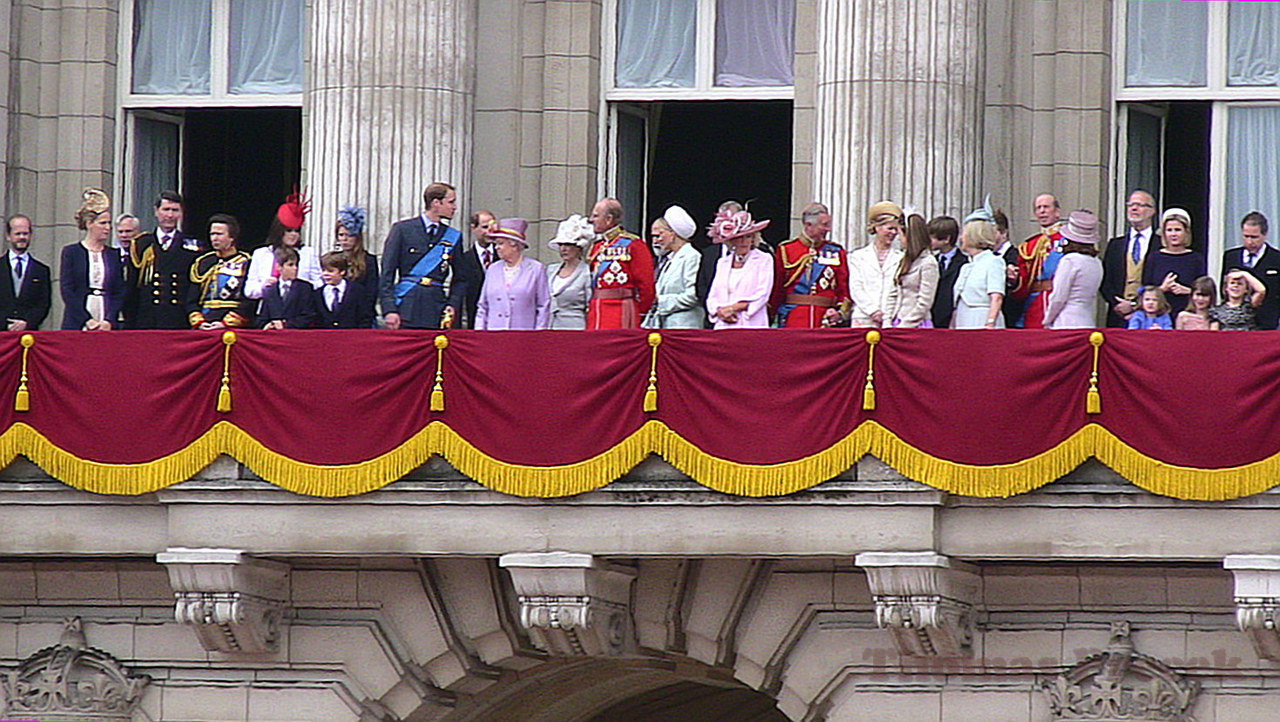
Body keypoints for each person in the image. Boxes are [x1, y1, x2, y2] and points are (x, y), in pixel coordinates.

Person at [380, 182, 468, 330]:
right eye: (451, 202)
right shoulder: (402, 230)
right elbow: (387, 273)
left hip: (436, 308)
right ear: (436, 203)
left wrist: (452, 304)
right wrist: (389, 309)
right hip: (406, 306)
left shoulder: (453, 236)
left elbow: (461, 278)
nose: (455, 207)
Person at [131, 190, 206, 329]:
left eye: (175, 210)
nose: (170, 215)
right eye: (166, 210)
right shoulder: (142, 244)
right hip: (147, 319)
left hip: (178, 318)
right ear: (156, 211)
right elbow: (133, 286)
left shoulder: (193, 246)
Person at [771, 202, 851, 328]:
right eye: (824, 225)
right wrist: (772, 314)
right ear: (808, 225)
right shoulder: (787, 250)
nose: (828, 229)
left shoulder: (835, 251)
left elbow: (843, 286)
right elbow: (777, 288)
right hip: (794, 317)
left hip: (825, 318)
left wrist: (840, 312)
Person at [60, 188, 125, 331]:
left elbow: (119, 290)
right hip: (79, 318)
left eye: (109, 223)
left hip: (106, 315)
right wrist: (86, 320)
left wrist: (109, 319)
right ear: (89, 224)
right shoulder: (72, 252)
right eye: (102, 223)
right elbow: (68, 290)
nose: (107, 228)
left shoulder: (113, 254)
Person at [586, 197, 654, 329]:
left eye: (595, 216)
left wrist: (639, 311)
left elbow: (646, 285)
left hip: (620, 309)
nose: (591, 220)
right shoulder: (597, 246)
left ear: (609, 219)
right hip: (596, 309)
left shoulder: (633, 245)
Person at [475, 218, 551, 330]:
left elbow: (543, 306)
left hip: (523, 337)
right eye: (496, 244)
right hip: (493, 336)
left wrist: (538, 337)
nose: (496, 248)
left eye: (500, 243)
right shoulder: (492, 269)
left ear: (514, 245)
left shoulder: (536, 269)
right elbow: (483, 307)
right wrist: (480, 334)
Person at [246, 191, 322, 302]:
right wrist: (264, 286)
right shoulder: (261, 254)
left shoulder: (308, 253)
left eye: (297, 231)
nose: (293, 235)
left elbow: (319, 284)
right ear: (279, 230)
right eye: (289, 230)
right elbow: (249, 290)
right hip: (269, 309)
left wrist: (300, 286)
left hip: (299, 308)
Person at [1101, 190, 1159, 328]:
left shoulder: (1160, 244)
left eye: (1139, 205)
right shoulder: (1115, 244)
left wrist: (1136, 305)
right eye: (1130, 205)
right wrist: (1118, 305)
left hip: (1150, 318)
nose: (1133, 209)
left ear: (1152, 211)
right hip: (1118, 317)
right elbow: (1105, 280)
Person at [706, 208, 773, 329]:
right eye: (739, 238)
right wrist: (720, 311)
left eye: (748, 237)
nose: (744, 242)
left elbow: (763, 294)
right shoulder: (723, 262)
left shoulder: (764, 259)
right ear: (731, 241)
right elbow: (713, 295)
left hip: (751, 323)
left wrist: (733, 308)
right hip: (724, 324)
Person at [187, 214, 254, 330]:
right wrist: (199, 322)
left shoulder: (246, 262)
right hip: (205, 322)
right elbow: (192, 299)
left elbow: (249, 301)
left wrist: (226, 322)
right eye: (212, 234)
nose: (214, 238)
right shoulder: (203, 262)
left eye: (219, 234)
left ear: (232, 237)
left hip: (233, 325)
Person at [1008, 193, 1064, 328]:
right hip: (1034, 303)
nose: (1042, 211)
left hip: (1059, 300)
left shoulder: (1068, 240)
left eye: (1046, 207)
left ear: (1057, 212)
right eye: (1038, 208)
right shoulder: (1029, 245)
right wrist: (1014, 278)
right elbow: (1024, 281)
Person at [1043, 210, 1104, 330]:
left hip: (1066, 321)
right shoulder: (1097, 262)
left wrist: (1047, 320)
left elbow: (1058, 297)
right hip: (1087, 321)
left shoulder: (1070, 261)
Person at [645, 206, 703, 329]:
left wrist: (659, 301)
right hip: (663, 326)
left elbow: (693, 295)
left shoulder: (691, 257)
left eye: (658, 235)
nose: (655, 241)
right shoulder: (666, 259)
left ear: (673, 234)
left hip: (684, 327)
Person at [848, 201, 904, 328]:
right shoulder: (857, 256)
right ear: (877, 228)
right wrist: (873, 311)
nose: (894, 233)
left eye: (896, 229)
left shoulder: (901, 257)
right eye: (890, 228)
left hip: (891, 319)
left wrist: (888, 314)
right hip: (863, 317)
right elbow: (856, 287)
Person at [1142, 208, 1205, 318]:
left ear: (1186, 232)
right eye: (1169, 230)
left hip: (1187, 314)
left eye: (1177, 230)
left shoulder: (1196, 259)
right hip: (1158, 316)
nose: (1173, 234)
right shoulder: (1154, 257)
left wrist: (1188, 291)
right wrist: (1162, 289)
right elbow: (1144, 289)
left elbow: (1204, 290)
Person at [1222, 211, 1280, 330]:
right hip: (1236, 323)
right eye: (1246, 236)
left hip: (1266, 323)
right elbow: (1224, 289)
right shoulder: (1231, 256)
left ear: (1264, 235)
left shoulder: (1276, 258)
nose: (1249, 242)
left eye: (1254, 237)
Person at [951, 219, 1006, 329]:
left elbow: (997, 296)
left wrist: (990, 323)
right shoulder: (966, 267)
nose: (961, 238)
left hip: (982, 318)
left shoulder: (993, 261)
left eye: (964, 234)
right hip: (963, 319)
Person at [1, 214, 51, 331]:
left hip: (29, 333)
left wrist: (27, 322)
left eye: (25, 234)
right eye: (17, 234)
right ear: (8, 236)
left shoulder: (41, 270)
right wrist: (6, 324)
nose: (22, 237)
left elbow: (43, 304)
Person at [545, 214, 593, 330]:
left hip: (575, 329)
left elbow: (590, 306)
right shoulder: (550, 270)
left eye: (568, 244)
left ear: (579, 247)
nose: (563, 249)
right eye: (561, 244)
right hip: (550, 327)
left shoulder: (587, 273)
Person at [892, 214, 939, 328]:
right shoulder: (903, 260)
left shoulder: (928, 263)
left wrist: (905, 325)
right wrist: (888, 321)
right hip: (898, 320)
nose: (898, 239)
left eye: (901, 234)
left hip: (916, 324)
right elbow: (893, 293)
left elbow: (925, 302)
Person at [335, 205, 378, 327]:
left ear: (357, 237)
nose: (345, 239)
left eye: (350, 235)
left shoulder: (369, 260)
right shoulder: (331, 258)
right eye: (341, 235)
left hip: (360, 317)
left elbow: (371, 293)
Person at [259, 247, 317, 329]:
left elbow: (309, 315)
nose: (295, 268)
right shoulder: (270, 290)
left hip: (296, 335)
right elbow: (262, 318)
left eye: (296, 265)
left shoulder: (305, 288)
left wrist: (285, 324)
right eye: (290, 265)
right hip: (275, 336)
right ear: (279, 267)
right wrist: (269, 325)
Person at [314, 251, 374, 329]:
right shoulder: (318, 293)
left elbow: (365, 317)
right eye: (323, 270)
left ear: (342, 271)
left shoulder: (357, 291)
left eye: (330, 271)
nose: (325, 274)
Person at [460, 210, 498, 328]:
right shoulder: (464, 259)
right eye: (485, 227)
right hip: (474, 321)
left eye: (492, 228)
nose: (489, 232)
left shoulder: (503, 257)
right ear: (473, 228)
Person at [115, 213, 141, 328]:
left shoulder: (144, 257)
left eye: (128, 231)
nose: (124, 235)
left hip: (136, 315)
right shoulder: (111, 256)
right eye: (120, 232)